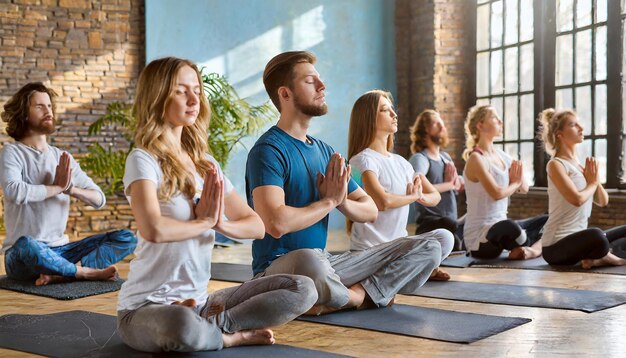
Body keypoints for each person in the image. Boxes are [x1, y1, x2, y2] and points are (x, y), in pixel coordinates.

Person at [116, 57, 317, 353]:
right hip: (145, 308)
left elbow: (257, 226)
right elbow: (153, 229)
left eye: (196, 89)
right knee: (181, 326)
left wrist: (220, 223)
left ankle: (212, 325)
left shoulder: (205, 164)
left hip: (202, 303)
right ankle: (228, 336)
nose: (194, 98)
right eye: (181, 90)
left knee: (302, 289)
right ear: (157, 96)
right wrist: (204, 222)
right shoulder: (143, 160)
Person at [246, 51, 441, 316]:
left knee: (431, 246)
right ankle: (357, 297)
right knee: (308, 260)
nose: (322, 86)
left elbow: (370, 209)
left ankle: (341, 298)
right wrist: (328, 201)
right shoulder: (268, 150)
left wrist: (341, 203)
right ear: (285, 94)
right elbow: (276, 223)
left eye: (320, 80)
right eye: (310, 81)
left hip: (326, 265)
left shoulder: (326, 152)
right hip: (280, 269)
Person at [0, 82, 136, 286]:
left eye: (49, 106)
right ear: (24, 114)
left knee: (127, 238)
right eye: (40, 106)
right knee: (26, 244)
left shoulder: (62, 157)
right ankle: (84, 273)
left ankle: (64, 272)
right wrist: (56, 188)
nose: (48, 111)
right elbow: (14, 191)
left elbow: (99, 199)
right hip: (22, 258)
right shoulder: (12, 153)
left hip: (62, 250)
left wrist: (71, 189)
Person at [347, 91, 454, 281]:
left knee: (445, 237)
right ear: (369, 118)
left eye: (392, 110)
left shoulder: (402, 163)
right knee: (432, 249)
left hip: (399, 247)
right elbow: (382, 202)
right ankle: (413, 271)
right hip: (370, 252)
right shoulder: (361, 160)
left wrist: (419, 195)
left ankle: (407, 271)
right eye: (385, 110)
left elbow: (435, 196)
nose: (394, 115)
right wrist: (412, 197)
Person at [538, 109, 626, 268]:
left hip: (579, 240)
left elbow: (603, 201)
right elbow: (576, 200)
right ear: (560, 134)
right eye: (573, 125)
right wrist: (591, 183)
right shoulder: (556, 164)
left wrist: (595, 180)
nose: (581, 128)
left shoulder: (579, 166)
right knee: (597, 236)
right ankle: (606, 256)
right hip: (555, 247)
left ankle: (596, 257)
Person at [462, 104, 547, 260]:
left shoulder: (503, 156)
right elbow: (497, 193)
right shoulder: (476, 158)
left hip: (502, 227)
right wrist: (514, 183)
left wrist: (517, 181)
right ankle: (530, 246)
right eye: (494, 117)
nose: (500, 121)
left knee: (548, 220)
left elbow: (525, 188)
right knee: (508, 227)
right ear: (480, 125)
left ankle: (528, 249)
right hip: (481, 239)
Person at [409, 109, 464, 250]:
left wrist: (459, 183)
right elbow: (417, 182)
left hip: (451, 221)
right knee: (456, 239)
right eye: (436, 123)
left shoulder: (446, 158)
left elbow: (454, 187)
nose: (442, 126)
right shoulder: (420, 158)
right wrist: (450, 184)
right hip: (430, 223)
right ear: (425, 130)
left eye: (442, 123)